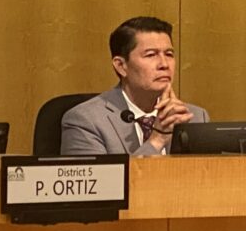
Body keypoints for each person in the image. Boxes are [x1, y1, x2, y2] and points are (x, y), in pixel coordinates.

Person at [60, 16, 209, 156]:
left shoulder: (194, 117)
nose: (164, 64)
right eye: (151, 55)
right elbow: (102, 182)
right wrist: (157, 140)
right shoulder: (86, 121)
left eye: (169, 54)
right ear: (121, 66)